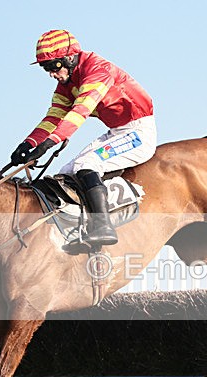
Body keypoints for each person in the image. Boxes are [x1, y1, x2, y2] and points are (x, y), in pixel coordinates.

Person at [10, 29, 156, 247]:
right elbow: (53, 116)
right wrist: (29, 143)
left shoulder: (98, 70)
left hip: (138, 132)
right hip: (117, 131)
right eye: (45, 68)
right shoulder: (66, 84)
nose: (51, 73)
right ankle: (80, 229)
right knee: (65, 173)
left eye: (53, 66)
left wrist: (50, 143)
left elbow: (80, 111)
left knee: (86, 164)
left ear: (69, 57)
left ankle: (104, 226)